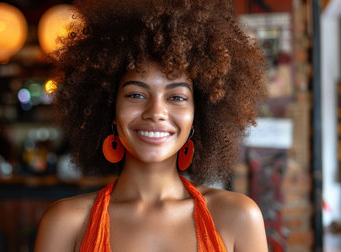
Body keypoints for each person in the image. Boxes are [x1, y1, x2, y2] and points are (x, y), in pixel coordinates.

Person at [35, 0, 268, 251]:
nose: (156, 112)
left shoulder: (238, 217)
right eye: (136, 95)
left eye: (176, 97)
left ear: (197, 115)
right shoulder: (65, 224)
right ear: (110, 109)